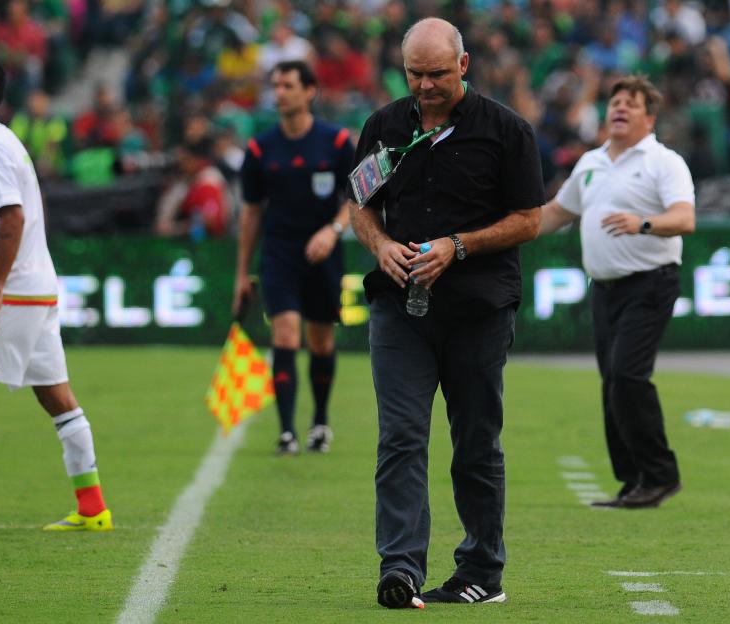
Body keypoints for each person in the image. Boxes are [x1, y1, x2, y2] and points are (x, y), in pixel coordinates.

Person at [347, 17, 543, 609]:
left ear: (463, 65)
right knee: (401, 437)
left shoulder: (507, 132)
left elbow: (529, 220)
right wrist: (382, 246)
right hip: (399, 308)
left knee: (475, 443)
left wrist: (455, 247)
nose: (426, 85)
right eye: (415, 73)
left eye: (436, 73)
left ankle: (482, 569)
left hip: (478, 308)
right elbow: (360, 205)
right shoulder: (383, 126)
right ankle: (401, 568)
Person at [540, 75, 695, 510]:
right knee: (613, 383)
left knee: (627, 376)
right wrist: (496, 233)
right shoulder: (591, 163)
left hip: (650, 280)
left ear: (651, 117)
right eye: (615, 102)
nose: (620, 109)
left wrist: (641, 222)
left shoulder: (663, 162)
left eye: (632, 103)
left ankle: (661, 475)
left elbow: (684, 218)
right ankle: (634, 480)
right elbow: (555, 213)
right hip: (604, 287)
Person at [0, 58, 112, 532]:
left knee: (57, 396)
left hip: (12, 291)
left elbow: (11, 216)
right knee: (57, 397)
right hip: (36, 288)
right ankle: (92, 507)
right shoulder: (6, 140)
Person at [233, 60, 354, 455]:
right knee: (285, 333)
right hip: (279, 253)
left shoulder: (336, 143)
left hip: (323, 253)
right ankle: (286, 431)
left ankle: (320, 421)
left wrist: (332, 230)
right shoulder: (259, 148)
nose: (279, 92)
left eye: (287, 85)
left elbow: (356, 201)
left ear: (310, 91)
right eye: (276, 85)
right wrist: (242, 273)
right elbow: (251, 212)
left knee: (320, 341)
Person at [154, 136, 230, 240]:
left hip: (210, 244)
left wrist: (175, 229)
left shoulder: (208, 182)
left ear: (196, 160)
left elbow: (210, 221)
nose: (181, 165)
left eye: (185, 160)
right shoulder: (189, 179)